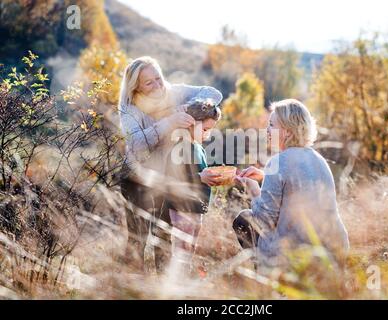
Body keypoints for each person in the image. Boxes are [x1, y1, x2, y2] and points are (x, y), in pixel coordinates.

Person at [118, 56, 222, 272]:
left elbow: (214, 93)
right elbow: (136, 144)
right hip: (138, 178)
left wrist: (192, 106)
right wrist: (170, 122)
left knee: (164, 237)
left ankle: (164, 290)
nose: (158, 86)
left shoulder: (173, 91)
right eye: (149, 83)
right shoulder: (130, 108)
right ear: (136, 88)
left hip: (167, 178)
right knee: (138, 238)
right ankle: (128, 287)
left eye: (158, 78)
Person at [234, 99, 349, 268]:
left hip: (296, 255)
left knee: (243, 220)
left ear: (287, 132)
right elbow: (297, 186)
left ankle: (269, 281)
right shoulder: (319, 159)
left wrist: (254, 190)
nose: (267, 130)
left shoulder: (278, 162)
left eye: (272, 125)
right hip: (334, 249)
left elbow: (264, 220)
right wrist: (266, 176)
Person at [164, 99, 222, 274]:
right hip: (182, 208)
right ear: (191, 123)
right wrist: (200, 177)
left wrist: (211, 177)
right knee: (182, 249)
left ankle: (184, 278)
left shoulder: (198, 148)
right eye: (205, 130)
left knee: (190, 248)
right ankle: (175, 283)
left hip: (196, 209)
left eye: (210, 130)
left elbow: (200, 174)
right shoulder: (180, 147)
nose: (208, 135)